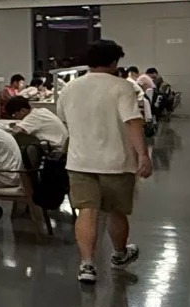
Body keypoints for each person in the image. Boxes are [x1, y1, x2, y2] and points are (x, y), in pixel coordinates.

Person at [58, 39, 150, 285]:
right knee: (116, 211)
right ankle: (119, 254)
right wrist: (143, 155)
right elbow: (133, 122)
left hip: (79, 161)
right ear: (115, 61)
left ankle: (87, 265)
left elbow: (64, 119)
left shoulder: (69, 88)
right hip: (116, 161)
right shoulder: (123, 87)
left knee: (86, 211)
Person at [3, 94, 67, 149]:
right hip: (62, 144)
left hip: (56, 149)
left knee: (18, 139)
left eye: (15, 114)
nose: (14, 117)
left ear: (23, 110)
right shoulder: (41, 111)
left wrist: (6, 129)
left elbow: (16, 132)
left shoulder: (33, 117)